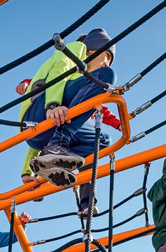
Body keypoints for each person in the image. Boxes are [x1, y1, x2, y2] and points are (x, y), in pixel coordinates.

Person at [17, 28, 116, 215]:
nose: (106, 63)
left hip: (46, 133)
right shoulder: (76, 49)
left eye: (109, 60)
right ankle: (56, 147)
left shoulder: (83, 92)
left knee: (101, 141)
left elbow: (38, 139)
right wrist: (53, 105)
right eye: (106, 56)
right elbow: (59, 70)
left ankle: (85, 200)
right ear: (92, 50)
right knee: (107, 77)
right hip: (38, 112)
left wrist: (27, 172)